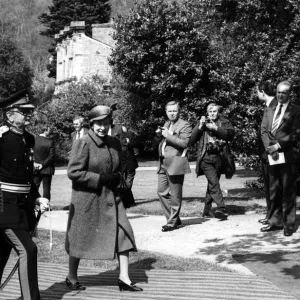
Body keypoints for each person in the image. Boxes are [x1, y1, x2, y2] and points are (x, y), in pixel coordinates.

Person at [65, 105, 142, 292]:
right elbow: (73, 172)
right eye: (98, 124)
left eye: (105, 124)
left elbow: (117, 165)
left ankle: (124, 278)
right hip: (88, 199)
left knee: (123, 232)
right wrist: (100, 178)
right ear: (91, 124)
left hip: (111, 197)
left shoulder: (115, 142)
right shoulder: (83, 142)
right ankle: (71, 276)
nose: (102, 127)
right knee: (79, 238)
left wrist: (117, 177)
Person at [0, 89, 49, 300]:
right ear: (9, 115)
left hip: (22, 206)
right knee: (28, 250)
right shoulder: (1, 138)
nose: (28, 114)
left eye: (29, 110)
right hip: (3, 206)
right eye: (23, 111)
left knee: (1, 255)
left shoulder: (28, 139)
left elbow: (27, 175)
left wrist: (37, 196)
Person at [260, 81, 300, 236]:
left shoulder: (296, 110)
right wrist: (269, 148)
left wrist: (277, 146)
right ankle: (275, 222)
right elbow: (264, 130)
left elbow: (295, 134)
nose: (280, 95)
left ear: (290, 93)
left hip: (288, 155)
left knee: (288, 190)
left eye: (284, 92)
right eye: (278, 92)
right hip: (271, 155)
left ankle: (288, 225)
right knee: (273, 189)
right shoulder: (270, 108)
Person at [189, 103, 235, 220]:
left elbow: (230, 135)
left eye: (215, 111)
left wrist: (216, 128)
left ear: (218, 112)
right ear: (207, 113)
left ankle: (206, 210)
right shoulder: (202, 122)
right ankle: (222, 208)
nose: (212, 113)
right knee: (214, 182)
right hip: (206, 158)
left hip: (220, 157)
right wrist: (199, 126)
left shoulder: (224, 122)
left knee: (212, 184)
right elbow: (192, 139)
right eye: (210, 112)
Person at [156, 101, 192, 232]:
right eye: (169, 111)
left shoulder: (185, 125)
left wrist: (168, 136)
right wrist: (160, 135)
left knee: (175, 195)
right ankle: (173, 218)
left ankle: (171, 222)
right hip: (162, 162)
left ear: (179, 111)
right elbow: (165, 141)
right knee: (161, 192)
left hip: (176, 162)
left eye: (174, 111)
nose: (172, 113)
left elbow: (185, 143)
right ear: (166, 112)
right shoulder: (166, 124)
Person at [256, 81, 277, 224]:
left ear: (263, 92)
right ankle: (270, 215)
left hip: (272, 153)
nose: (257, 94)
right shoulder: (269, 106)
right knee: (269, 187)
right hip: (266, 154)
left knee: (274, 187)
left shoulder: (275, 106)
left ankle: (275, 219)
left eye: (257, 92)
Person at [33, 124, 55, 201]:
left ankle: (34, 204)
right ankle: (46, 206)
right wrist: (42, 164)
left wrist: (34, 163)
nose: (50, 131)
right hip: (47, 168)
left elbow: (30, 154)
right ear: (45, 131)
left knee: (35, 188)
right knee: (46, 189)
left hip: (35, 168)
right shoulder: (50, 142)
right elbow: (51, 156)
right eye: (49, 130)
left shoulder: (33, 141)